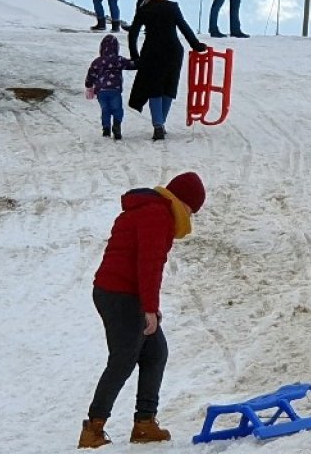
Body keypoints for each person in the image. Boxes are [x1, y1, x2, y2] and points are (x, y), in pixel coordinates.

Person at [78, 172, 207, 449]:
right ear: (182, 202)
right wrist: (149, 308)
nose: (190, 216)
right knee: (124, 358)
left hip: (121, 293)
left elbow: (145, 265)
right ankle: (93, 428)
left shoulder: (153, 211)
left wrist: (150, 307)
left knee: (155, 352)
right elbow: (148, 264)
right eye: (191, 209)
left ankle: (145, 423)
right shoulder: (157, 216)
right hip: (119, 294)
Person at [127, 0, 207, 141]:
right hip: (173, 52)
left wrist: (135, 57)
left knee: (154, 89)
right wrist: (196, 46)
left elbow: (132, 35)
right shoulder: (172, 7)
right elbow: (184, 28)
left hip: (151, 53)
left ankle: (158, 125)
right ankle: (161, 123)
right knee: (169, 87)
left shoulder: (144, 9)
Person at [85, 34, 137, 140]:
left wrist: (89, 85)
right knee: (117, 108)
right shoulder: (119, 60)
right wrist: (139, 61)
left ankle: (106, 129)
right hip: (115, 90)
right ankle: (117, 125)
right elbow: (131, 65)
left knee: (105, 109)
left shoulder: (97, 62)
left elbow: (91, 75)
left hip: (101, 91)